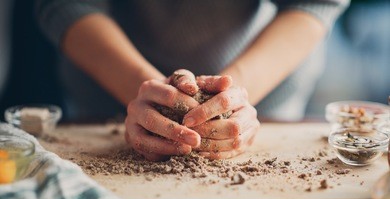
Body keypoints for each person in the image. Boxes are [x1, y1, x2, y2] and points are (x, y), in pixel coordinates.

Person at [36, 0, 349, 161]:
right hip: (108, 88)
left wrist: (235, 92)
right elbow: (65, 4)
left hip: (261, 83)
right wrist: (144, 91)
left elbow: (314, 3)